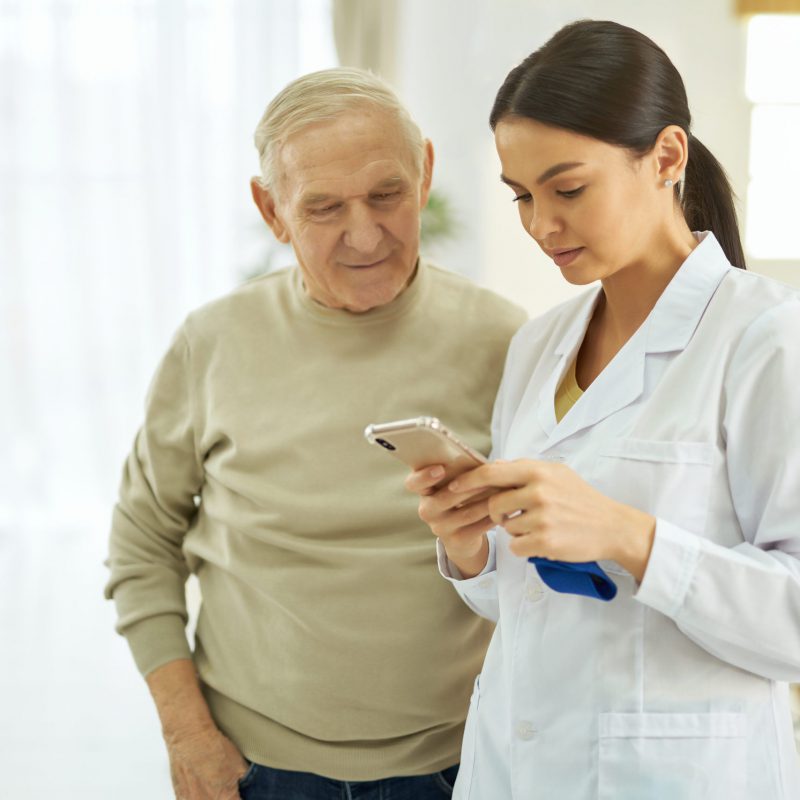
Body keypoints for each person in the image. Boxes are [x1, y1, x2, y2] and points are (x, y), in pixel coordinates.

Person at [104, 67, 526, 800]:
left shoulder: (508, 342)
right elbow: (141, 545)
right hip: (253, 767)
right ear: (271, 210)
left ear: (425, 173)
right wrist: (188, 736)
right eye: (324, 207)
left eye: (387, 194)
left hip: (462, 765)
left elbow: (545, 560)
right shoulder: (212, 344)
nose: (364, 234)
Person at [407, 20, 800, 799]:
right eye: (522, 196)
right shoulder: (540, 344)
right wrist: (473, 550)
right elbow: (525, 600)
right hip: (511, 766)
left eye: (568, 189)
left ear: (666, 157)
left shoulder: (763, 339)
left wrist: (631, 536)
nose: (540, 225)